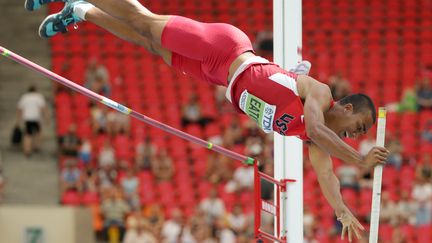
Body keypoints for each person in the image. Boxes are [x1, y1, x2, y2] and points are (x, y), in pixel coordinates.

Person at [27, 0, 390, 240]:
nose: (358, 133)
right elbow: (317, 128)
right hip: (226, 48)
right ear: (344, 106)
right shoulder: (321, 95)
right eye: (359, 124)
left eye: (360, 135)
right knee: (145, 23)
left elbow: (325, 174)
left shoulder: (311, 139)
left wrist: (341, 210)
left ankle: (80, 11)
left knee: (149, 43)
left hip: (218, 77)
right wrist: (359, 159)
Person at [16, 85, 48, 157]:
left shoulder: (24, 97)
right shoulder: (38, 97)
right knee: (38, 133)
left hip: (27, 118)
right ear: (35, 90)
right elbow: (43, 108)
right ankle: (36, 146)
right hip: (36, 118)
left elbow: (19, 109)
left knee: (28, 135)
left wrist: (18, 121)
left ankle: (27, 150)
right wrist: (46, 118)